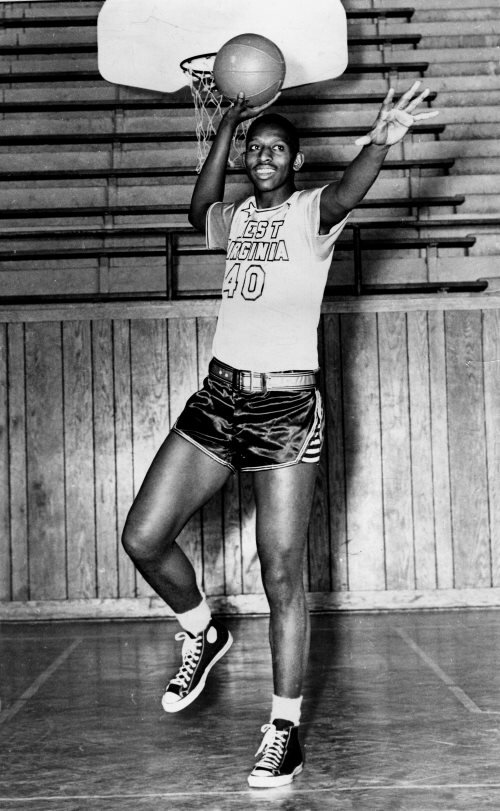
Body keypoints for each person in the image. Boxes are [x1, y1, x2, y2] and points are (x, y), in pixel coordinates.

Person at [121, 81, 438, 788]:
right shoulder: (234, 218)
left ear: (294, 161)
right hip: (219, 397)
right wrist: (227, 122)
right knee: (143, 536)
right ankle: (202, 628)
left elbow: (349, 193)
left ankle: (284, 727)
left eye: (276, 148)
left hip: (286, 410)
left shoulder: (307, 213)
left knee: (281, 572)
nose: (263, 155)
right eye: (254, 148)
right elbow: (197, 207)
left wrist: (379, 144)